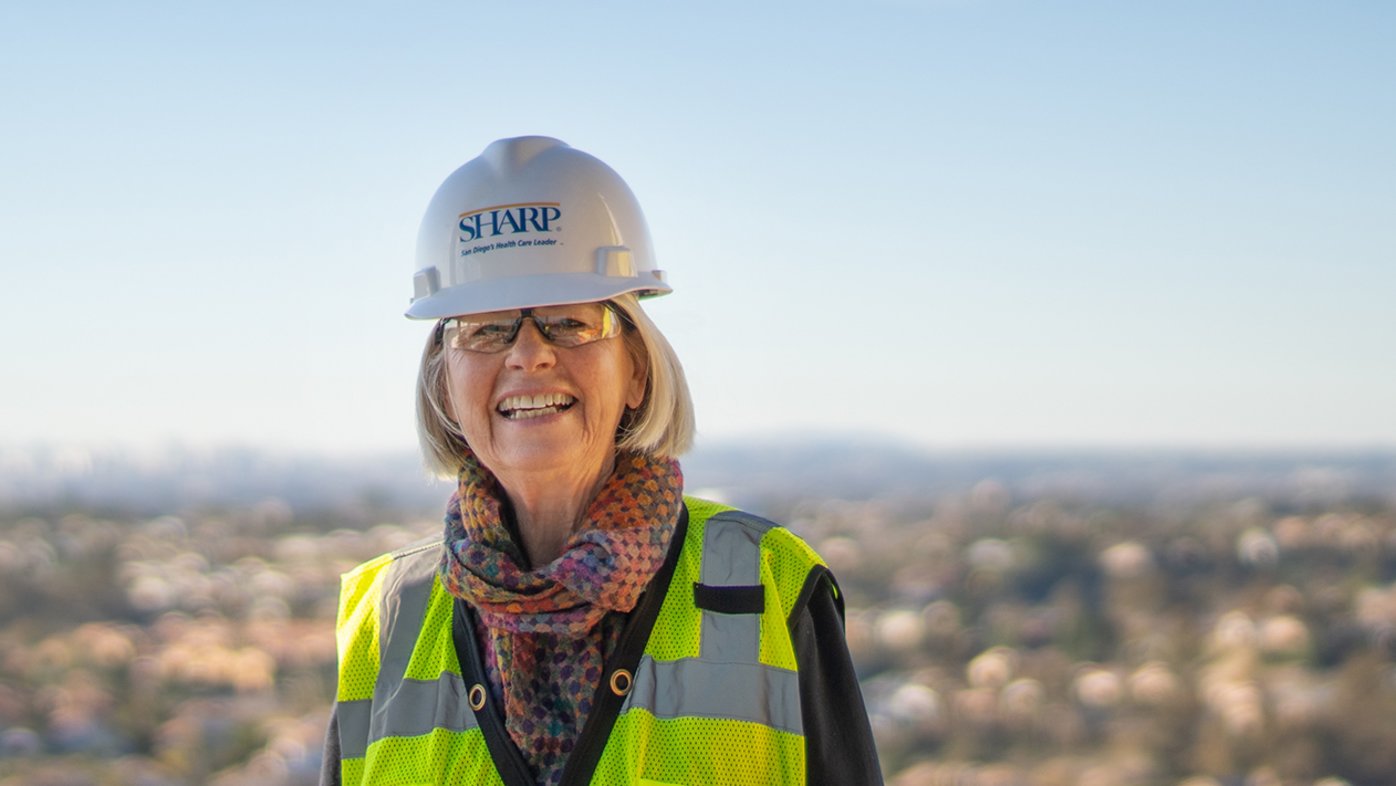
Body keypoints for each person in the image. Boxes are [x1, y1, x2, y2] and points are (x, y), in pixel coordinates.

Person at [320, 136, 882, 785]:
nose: (528, 354)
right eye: (485, 328)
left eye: (569, 321)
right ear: (445, 383)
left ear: (637, 370)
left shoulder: (767, 589)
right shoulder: (386, 619)